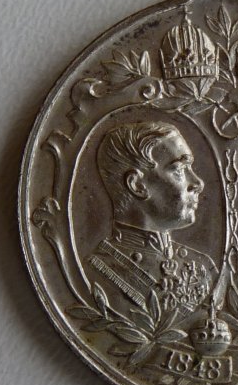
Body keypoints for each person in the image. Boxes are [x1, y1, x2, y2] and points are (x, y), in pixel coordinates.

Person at [86, 121, 217, 315]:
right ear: (137, 185)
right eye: (179, 170)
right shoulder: (95, 272)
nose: (198, 183)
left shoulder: (203, 267)